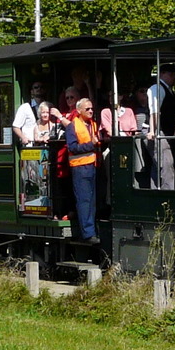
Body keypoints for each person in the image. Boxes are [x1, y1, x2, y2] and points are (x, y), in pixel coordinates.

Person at [66, 98, 101, 244]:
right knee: (84, 200)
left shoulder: (93, 125)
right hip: (80, 168)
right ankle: (87, 234)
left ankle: (92, 230)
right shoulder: (72, 126)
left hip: (92, 166)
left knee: (92, 201)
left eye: (92, 108)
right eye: (88, 109)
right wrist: (90, 145)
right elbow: (73, 148)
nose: (91, 111)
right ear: (79, 110)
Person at [147, 63, 175, 189]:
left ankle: (156, 196)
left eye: (174, 75)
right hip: (158, 132)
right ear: (161, 74)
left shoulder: (168, 90)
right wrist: (152, 130)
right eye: (170, 74)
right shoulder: (157, 88)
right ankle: (167, 196)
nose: (173, 78)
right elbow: (154, 110)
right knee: (166, 164)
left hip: (165, 132)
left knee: (159, 166)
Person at [12, 81, 48, 146]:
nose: (39, 89)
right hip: (30, 146)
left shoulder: (48, 106)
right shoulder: (25, 107)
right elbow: (16, 126)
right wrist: (23, 138)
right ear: (32, 91)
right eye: (36, 87)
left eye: (41, 87)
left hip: (45, 144)